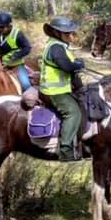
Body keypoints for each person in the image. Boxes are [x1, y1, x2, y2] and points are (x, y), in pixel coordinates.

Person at [39, 17, 85, 162]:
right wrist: (78, 64)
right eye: (68, 33)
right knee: (73, 113)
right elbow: (66, 66)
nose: (71, 36)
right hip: (54, 92)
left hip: (60, 90)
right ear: (58, 33)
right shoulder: (56, 48)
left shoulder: (59, 45)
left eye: (71, 33)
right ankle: (65, 151)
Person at [0, 12, 33, 91]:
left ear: (9, 25)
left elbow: (27, 48)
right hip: (0, 67)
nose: (1, 29)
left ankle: (32, 99)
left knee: (26, 85)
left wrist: (17, 55)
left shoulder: (17, 34)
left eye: (3, 27)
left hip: (16, 66)